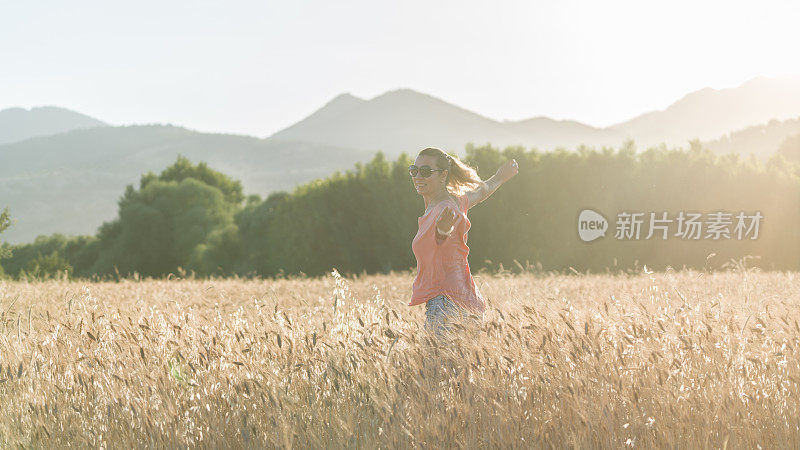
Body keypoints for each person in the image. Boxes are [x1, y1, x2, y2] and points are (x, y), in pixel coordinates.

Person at [408, 147, 519, 341]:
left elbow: (445, 237)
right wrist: (500, 177)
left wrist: (443, 231)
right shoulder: (455, 202)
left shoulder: (447, 209)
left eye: (425, 171)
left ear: (443, 175)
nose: (418, 176)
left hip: (445, 305)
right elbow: (480, 193)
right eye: (414, 170)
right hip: (469, 302)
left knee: (435, 370)